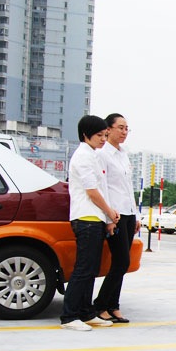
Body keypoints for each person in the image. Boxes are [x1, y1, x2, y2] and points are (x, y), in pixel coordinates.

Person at [60, 116, 120, 331]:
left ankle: (86, 313)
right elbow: (92, 192)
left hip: (94, 218)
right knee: (83, 269)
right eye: (99, 135)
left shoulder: (93, 155)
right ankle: (69, 316)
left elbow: (101, 189)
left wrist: (107, 218)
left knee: (92, 268)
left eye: (105, 135)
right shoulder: (83, 157)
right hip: (85, 218)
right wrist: (110, 212)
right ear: (85, 134)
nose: (103, 139)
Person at [93, 113, 139, 323]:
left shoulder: (123, 154)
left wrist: (136, 216)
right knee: (121, 261)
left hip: (128, 214)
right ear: (108, 129)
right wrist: (109, 217)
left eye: (126, 128)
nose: (124, 132)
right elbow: (103, 188)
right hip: (115, 215)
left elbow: (128, 188)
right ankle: (100, 305)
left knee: (121, 263)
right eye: (120, 127)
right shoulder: (102, 154)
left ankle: (113, 305)